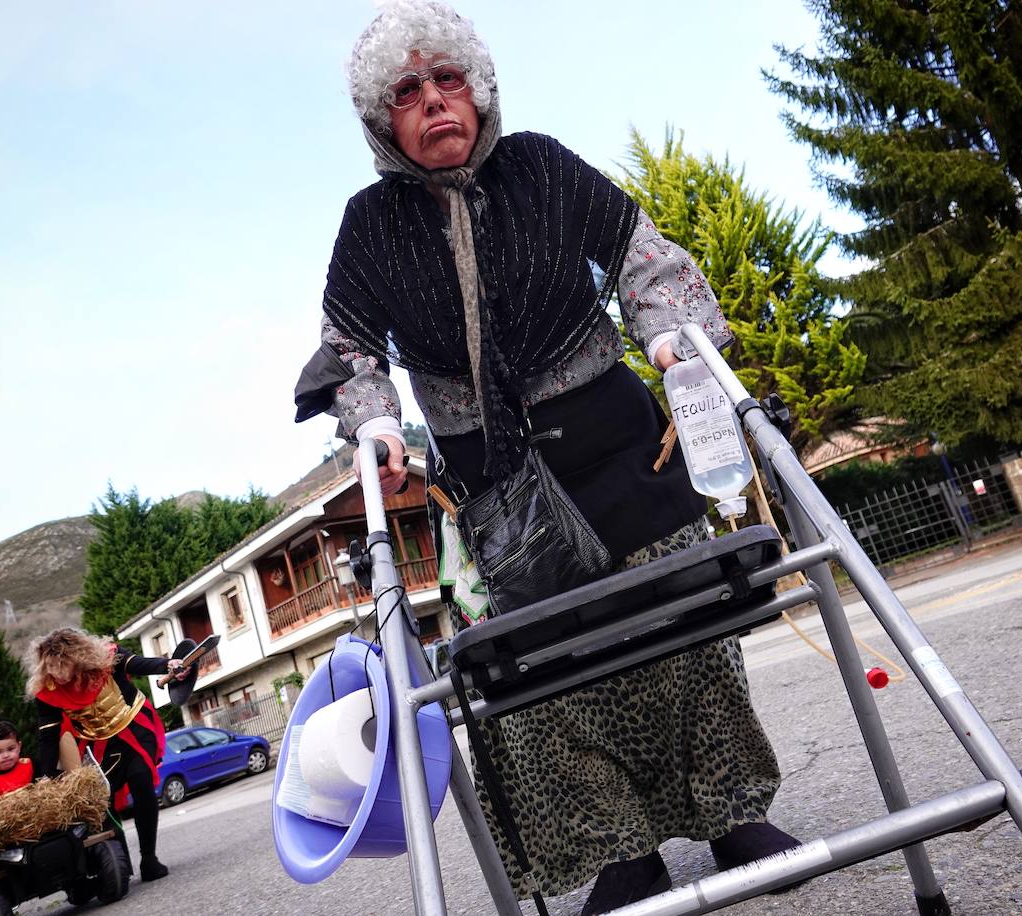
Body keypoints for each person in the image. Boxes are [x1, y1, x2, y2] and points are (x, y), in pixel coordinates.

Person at [294, 3, 799, 912]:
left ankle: (730, 814)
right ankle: (621, 853)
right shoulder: (368, 224)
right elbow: (348, 355)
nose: (434, 101)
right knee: (545, 675)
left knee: (680, 631)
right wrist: (375, 425)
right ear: (382, 120)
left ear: (479, 90)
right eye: (408, 91)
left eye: (448, 79)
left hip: (618, 442)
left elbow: (645, 263)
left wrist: (678, 342)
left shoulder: (542, 165)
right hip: (495, 484)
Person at [26, 627, 188, 882]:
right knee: (101, 801)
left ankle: (149, 859)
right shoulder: (48, 690)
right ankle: (118, 867)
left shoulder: (106, 657)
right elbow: (48, 737)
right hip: (99, 742)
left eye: (63, 665)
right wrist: (44, 780)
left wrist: (168, 664)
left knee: (141, 779)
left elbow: (138, 663)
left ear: (77, 656)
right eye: (52, 667)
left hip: (134, 725)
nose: (59, 675)